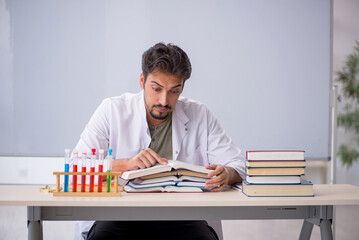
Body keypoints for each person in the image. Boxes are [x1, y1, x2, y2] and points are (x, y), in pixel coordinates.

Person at [74, 42, 245, 240]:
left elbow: (238, 165)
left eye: (174, 91)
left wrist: (226, 174)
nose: (164, 100)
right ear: (142, 81)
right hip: (119, 214)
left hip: (184, 216)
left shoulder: (200, 114)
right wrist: (126, 165)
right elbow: (76, 170)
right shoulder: (111, 110)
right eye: (156, 88)